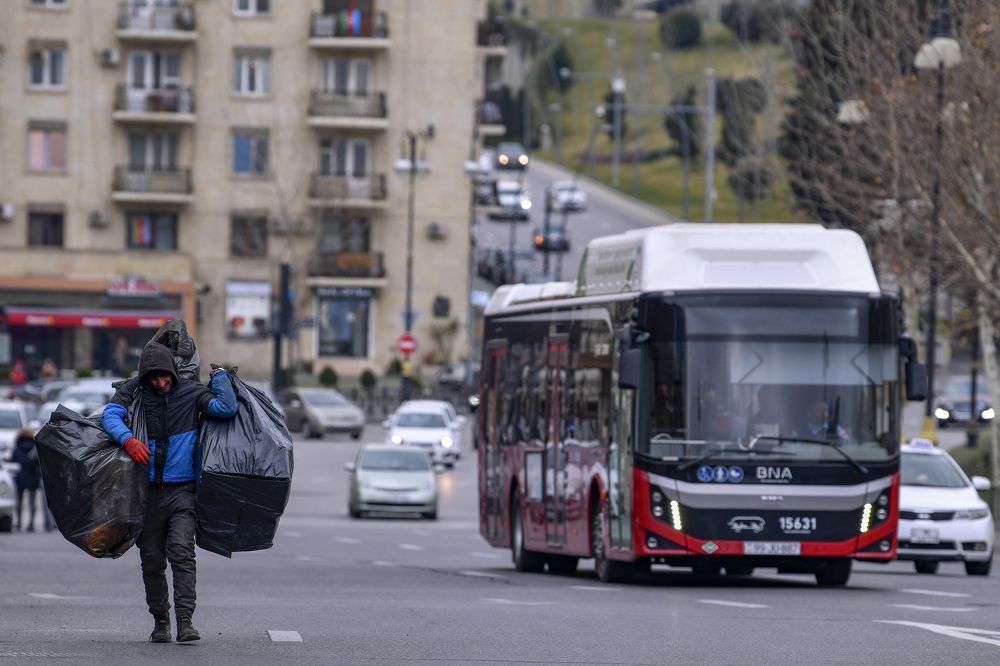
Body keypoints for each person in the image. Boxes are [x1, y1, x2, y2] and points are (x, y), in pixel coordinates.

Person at [101, 342, 238, 644]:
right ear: (146, 376)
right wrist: (129, 440)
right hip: (145, 494)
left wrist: (219, 377)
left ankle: (185, 622)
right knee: (151, 561)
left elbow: (226, 408)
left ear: (174, 373)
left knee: (181, 553)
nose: (160, 383)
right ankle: (161, 622)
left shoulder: (190, 393)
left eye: (165, 377)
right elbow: (109, 416)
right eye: (154, 378)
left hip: (182, 492)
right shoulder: (134, 391)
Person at [8, 429, 41, 531]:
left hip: (20, 478)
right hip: (33, 477)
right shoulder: (35, 448)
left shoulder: (16, 449)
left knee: (19, 501)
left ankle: (18, 523)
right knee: (32, 502)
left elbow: (13, 462)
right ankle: (31, 524)